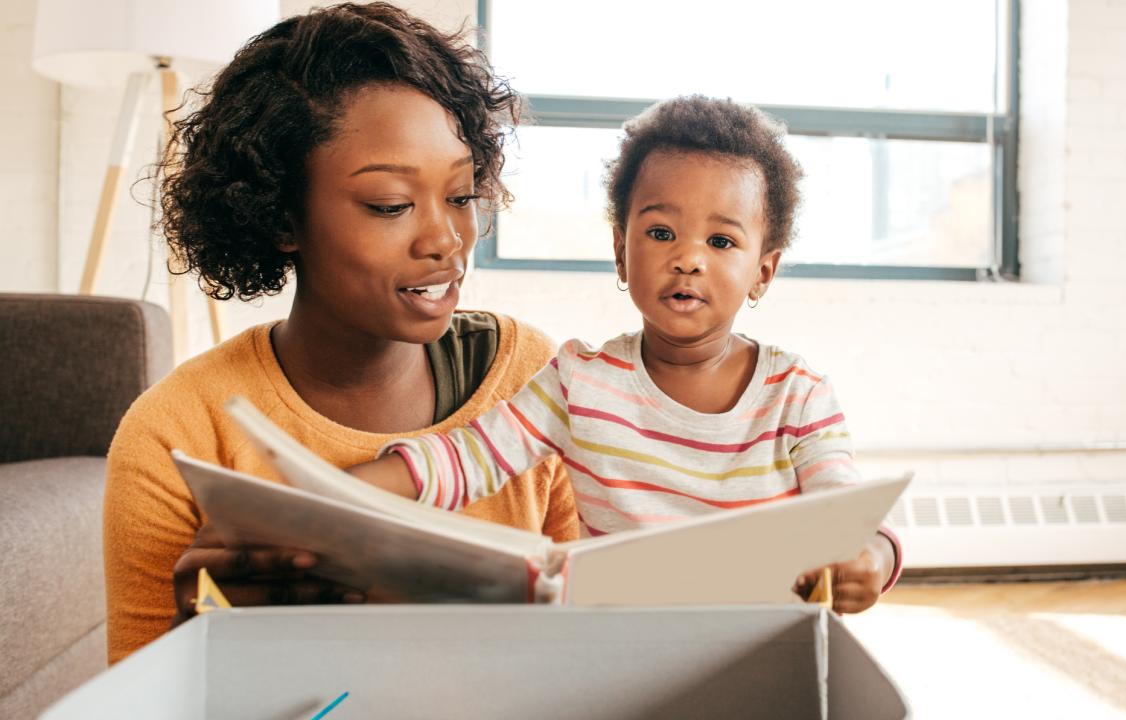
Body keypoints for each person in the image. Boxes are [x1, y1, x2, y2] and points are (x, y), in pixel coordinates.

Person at [102, 2, 580, 665]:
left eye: (463, 196)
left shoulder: (532, 378)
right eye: (390, 205)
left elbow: (600, 637)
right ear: (279, 216)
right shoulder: (179, 432)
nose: (446, 241)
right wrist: (196, 639)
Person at [349, 96, 903, 614]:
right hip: (621, 647)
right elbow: (467, 460)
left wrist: (871, 560)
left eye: (721, 242)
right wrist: (334, 492)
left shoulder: (798, 395)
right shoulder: (578, 384)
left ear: (763, 273)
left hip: (764, 645)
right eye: (661, 232)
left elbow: (848, 512)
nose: (688, 258)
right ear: (620, 252)